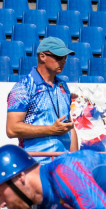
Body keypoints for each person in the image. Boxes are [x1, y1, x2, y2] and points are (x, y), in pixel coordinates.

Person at [6, 37, 77, 165]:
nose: (63, 61)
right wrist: (51, 130)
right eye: (58, 57)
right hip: (34, 166)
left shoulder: (63, 86)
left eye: (65, 58)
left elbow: (69, 126)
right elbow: (11, 129)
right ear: (43, 56)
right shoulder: (23, 87)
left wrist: (76, 160)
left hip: (63, 166)